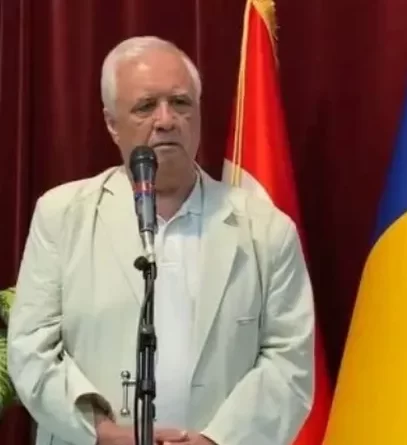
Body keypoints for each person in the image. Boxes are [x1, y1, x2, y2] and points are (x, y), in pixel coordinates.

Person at [6, 36, 315, 445]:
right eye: (146, 106)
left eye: (181, 103)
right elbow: (31, 348)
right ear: (111, 123)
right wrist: (101, 433)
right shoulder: (61, 215)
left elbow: (290, 362)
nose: (166, 120)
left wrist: (216, 440)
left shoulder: (266, 229)